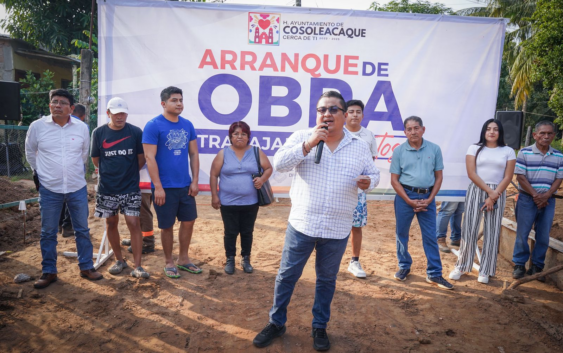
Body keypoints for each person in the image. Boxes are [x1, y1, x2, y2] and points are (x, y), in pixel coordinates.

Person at [252, 91, 380, 351]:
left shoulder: (358, 145)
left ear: (344, 116)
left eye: (334, 109)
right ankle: (276, 323)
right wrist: (310, 144)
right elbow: (280, 164)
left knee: (326, 280)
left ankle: (319, 326)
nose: (327, 114)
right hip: (303, 225)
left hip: (337, 227)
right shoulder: (302, 137)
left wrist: (369, 182)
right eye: (322, 109)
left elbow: (374, 174)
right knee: (287, 275)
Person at [25, 88, 103, 289]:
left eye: (62, 103)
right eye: (54, 102)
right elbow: (30, 153)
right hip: (49, 189)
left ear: (71, 108)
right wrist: (40, 173)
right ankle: (49, 271)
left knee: (82, 230)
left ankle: (86, 267)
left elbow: (84, 154)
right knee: (48, 232)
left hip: (76, 187)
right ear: (50, 105)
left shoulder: (81, 128)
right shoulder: (37, 127)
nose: (57, 105)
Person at [143, 86, 201, 278]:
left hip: (184, 185)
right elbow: (149, 158)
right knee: (166, 225)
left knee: (189, 221)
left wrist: (195, 181)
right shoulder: (153, 125)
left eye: (181, 100)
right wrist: (157, 187)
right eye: (174, 100)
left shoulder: (187, 125)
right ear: (163, 103)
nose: (179, 104)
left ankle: (183, 259)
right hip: (164, 188)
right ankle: (169, 261)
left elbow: (193, 154)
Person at [390, 116, 453, 290]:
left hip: (428, 197)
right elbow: (394, 180)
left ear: (423, 130)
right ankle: (404, 266)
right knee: (401, 233)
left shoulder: (434, 149)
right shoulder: (399, 151)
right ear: (404, 132)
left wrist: (430, 199)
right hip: (405, 196)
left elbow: (439, 177)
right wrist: (409, 200)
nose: (413, 132)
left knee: (430, 236)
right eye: (409, 129)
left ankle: (434, 273)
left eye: (416, 128)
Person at [449, 119, 516, 284]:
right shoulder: (474, 148)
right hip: (477, 189)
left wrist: (495, 194)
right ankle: (462, 265)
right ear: (484, 132)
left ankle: (486, 270)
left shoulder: (508, 151)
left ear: (500, 132)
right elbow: (471, 173)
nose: (491, 132)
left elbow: (508, 176)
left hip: (498, 191)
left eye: (495, 129)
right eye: (488, 129)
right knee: (469, 229)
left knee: (492, 232)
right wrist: (489, 192)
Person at [90, 97, 149, 279]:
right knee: (111, 223)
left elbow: (142, 158)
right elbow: (96, 160)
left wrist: (128, 173)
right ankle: (119, 260)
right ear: (108, 114)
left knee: (133, 223)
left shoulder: (135, 132)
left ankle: (138, 266)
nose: (120, 117)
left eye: (123, 113)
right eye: (116, 114)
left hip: (130, 187)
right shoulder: (99, 133)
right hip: (107, 188)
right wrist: (111, 173)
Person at [209, 121, 273, 274]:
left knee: (247, 231)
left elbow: (269, 168)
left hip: (250, 202)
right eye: (236, 134)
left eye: (243, 134)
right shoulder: (223, 153)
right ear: (230, 137)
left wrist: (262, 179)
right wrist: (214, 196)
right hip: (228, 202)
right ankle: (230, 259)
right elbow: (213, 175)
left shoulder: (256, 152)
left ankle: (246, 259)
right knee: (230, 232)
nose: (240, 137)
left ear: (248, 136)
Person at [512, 121, 563, 281]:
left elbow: (559, 177)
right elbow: (520, 176)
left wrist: (546, 195)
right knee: (523, 233)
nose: (546, 136)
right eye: (542, 133)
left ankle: (537, 266)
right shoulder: (524, 152)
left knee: (543, 235)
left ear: (553, 136)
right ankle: (520, 264)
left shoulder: (559, 155)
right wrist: (536, 195)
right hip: (527, 199)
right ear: (535, 135)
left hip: (548, 201)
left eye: (549, 133)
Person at [343, 99, 378, 278]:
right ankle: (327, 262)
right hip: (336, 189)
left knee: (356, 226)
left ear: (362, 115)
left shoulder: (368, 136)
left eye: (358, 111)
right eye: (351, 111)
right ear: (344, 114)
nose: (355, 114)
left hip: (357, 191)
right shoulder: (336, 133)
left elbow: (371, 165)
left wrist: (363, 180)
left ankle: (354, 261)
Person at [58, 103, 88, 238]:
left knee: (60, 197)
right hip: (74, 169)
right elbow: (85, 152)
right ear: (83, 116)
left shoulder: (60, 122)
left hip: (56, 168)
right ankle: (68, 226)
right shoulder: (83, 126)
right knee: (73, 197)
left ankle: (59, 225)